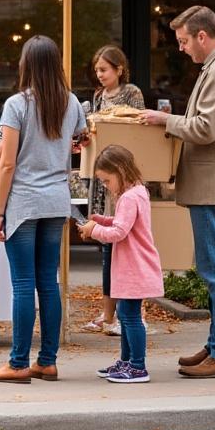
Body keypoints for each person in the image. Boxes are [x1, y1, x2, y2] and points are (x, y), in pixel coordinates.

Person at [138, 5, 215, 379]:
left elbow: (205, 129)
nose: (182, 48)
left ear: (203, 36)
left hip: (213, 187)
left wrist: (164, 120)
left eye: (184, 41)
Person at [0, 35, 88, 384]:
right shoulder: (71, 102)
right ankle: (47, 361)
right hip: (56, 201)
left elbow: (8, 163)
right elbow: (81, 139)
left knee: (23, 284)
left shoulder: (17, 104)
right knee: (48, 283)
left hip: (24, 202)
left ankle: (18, 362)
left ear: (26, 65)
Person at [79, 145, 163, 384]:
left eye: (107, 180)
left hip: (133, 267)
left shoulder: (128, 197)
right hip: (134, 266)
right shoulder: (138, 192)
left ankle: (137, 366)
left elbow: (119, 232)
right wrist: (103, 220)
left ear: (120, 170)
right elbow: (125, 223)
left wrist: (94, 229)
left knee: (130, 315)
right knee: (126, 314)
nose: (106, 186)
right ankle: (127, 362)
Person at [80, 45, 145, 337]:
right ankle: (108, 313)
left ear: (119, 69)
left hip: (122, 176)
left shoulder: (132, 93)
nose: (100, 74)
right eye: (97, 70)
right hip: (101, 177)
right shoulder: (97, 96)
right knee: (106, 250)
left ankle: (131, 313)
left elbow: (138, 129)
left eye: (104, 69)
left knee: (125, 246)